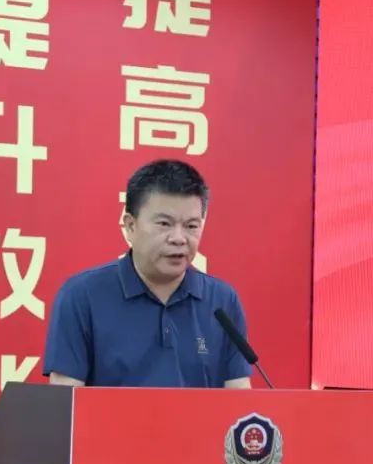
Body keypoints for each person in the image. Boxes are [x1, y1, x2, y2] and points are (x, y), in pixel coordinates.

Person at [42, 159, 252, 388]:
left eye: (191, 226)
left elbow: (238, 398)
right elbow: (65, 400)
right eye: (164, 224)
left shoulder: (222, 301)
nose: (179, 238)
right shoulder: (82, 296)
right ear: (130, 226)